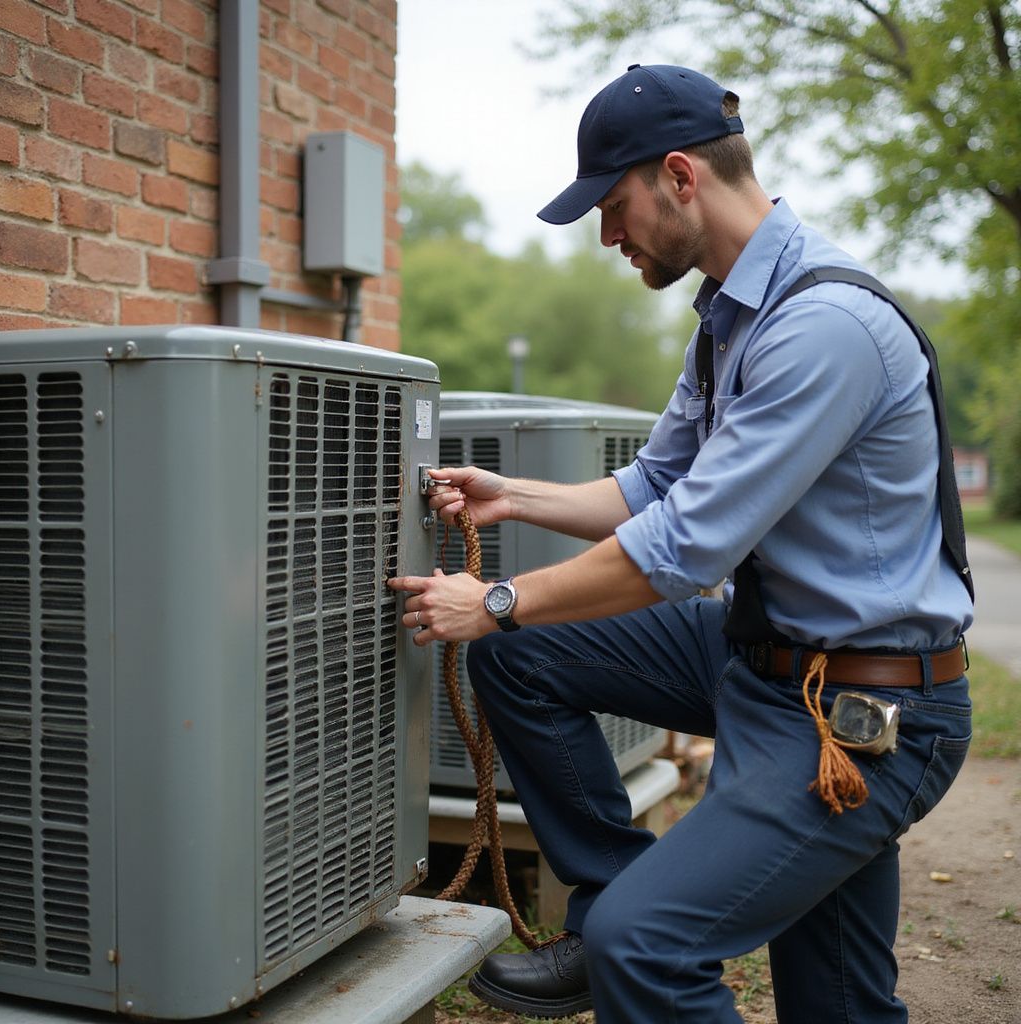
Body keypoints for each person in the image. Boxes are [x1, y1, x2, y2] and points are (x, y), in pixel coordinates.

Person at [388, 64, 974, 1023]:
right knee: (528, 658)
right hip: (765, 660)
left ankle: (626, 920)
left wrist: (494, 600)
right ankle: (614, 889)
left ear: (679, 176)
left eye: (613, 207)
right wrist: (512, 496)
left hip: (864, 706)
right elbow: (657, 486)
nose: (608, 236)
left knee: (652, 951)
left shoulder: (822, 329)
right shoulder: (730, 319)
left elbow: (683, 548)